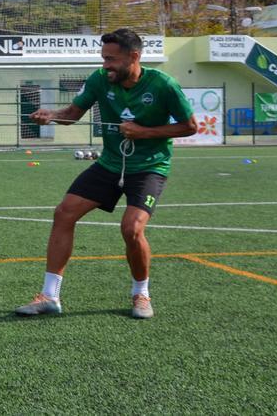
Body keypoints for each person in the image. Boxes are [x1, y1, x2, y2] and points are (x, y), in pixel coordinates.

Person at [15, 28, 196, 319]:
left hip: (149, 166)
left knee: (132, 229)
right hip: (111, 163)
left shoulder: (164, 85)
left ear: (134, 57)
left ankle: (141, 294)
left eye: (111, 59)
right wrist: (52, 115)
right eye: (103, 58)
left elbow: (190, 126)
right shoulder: (100, 80)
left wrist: (145, 132)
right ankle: (49, 296)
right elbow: (73, 114)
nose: (105, 65)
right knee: (64, 213)